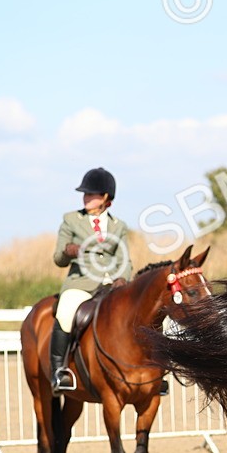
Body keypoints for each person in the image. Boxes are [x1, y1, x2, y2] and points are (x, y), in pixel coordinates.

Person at [50, 168, 132, 393]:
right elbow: (58, 259)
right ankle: (59, 372)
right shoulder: (71, 220)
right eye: (84, 194)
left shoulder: (119, 226)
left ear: (105, 197)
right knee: (65, 312)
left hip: (112, 284)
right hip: (81, 283)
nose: (85, 198)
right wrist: (67, 251)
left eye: (90, 194)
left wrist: (122, 278)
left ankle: (151, 372)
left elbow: (124, 259)